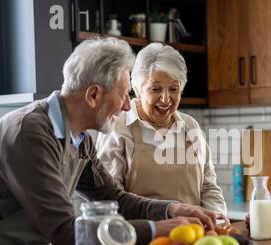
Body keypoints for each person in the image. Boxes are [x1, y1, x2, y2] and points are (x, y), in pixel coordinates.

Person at [0, 38, 218, 245]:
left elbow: (112, 197)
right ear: (93, 95)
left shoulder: (79, 138)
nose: (127, 106)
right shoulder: (29, 133)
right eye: (124, 94)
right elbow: (66, 233)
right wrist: (156, 230)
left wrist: (171, 209)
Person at [96, 43, 227, 216]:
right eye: (155, 89)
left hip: (193, 236)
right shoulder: (117, 127)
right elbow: (110, 199)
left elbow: (208, 186)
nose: (166, 99)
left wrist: (217, 220)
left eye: (174, 89)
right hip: (143, 238)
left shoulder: (190, 126)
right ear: (137, 89)